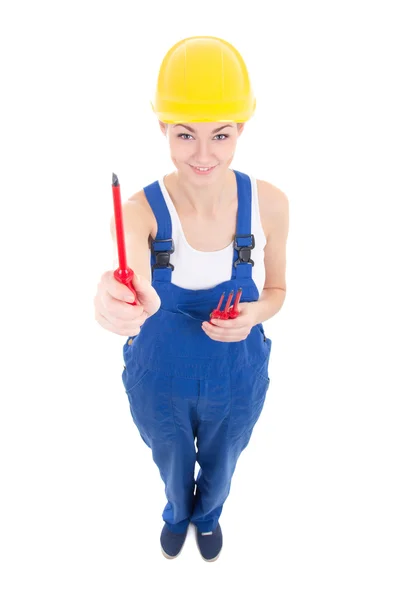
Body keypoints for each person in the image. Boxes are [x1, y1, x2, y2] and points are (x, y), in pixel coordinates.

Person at [94, 35, 289, 562]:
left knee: (224, 460)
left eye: (221, 135)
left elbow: (277, 292)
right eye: (184, 135)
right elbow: (128, 267)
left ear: (242, 128)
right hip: (160, 375)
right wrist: (113, 296)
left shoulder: (268, 204)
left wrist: (255, 313)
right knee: (171, 457)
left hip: (236, 371)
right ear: (163, 127)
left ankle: (208, 516)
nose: (203, 155)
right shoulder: (140, 210)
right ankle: (177, 512)